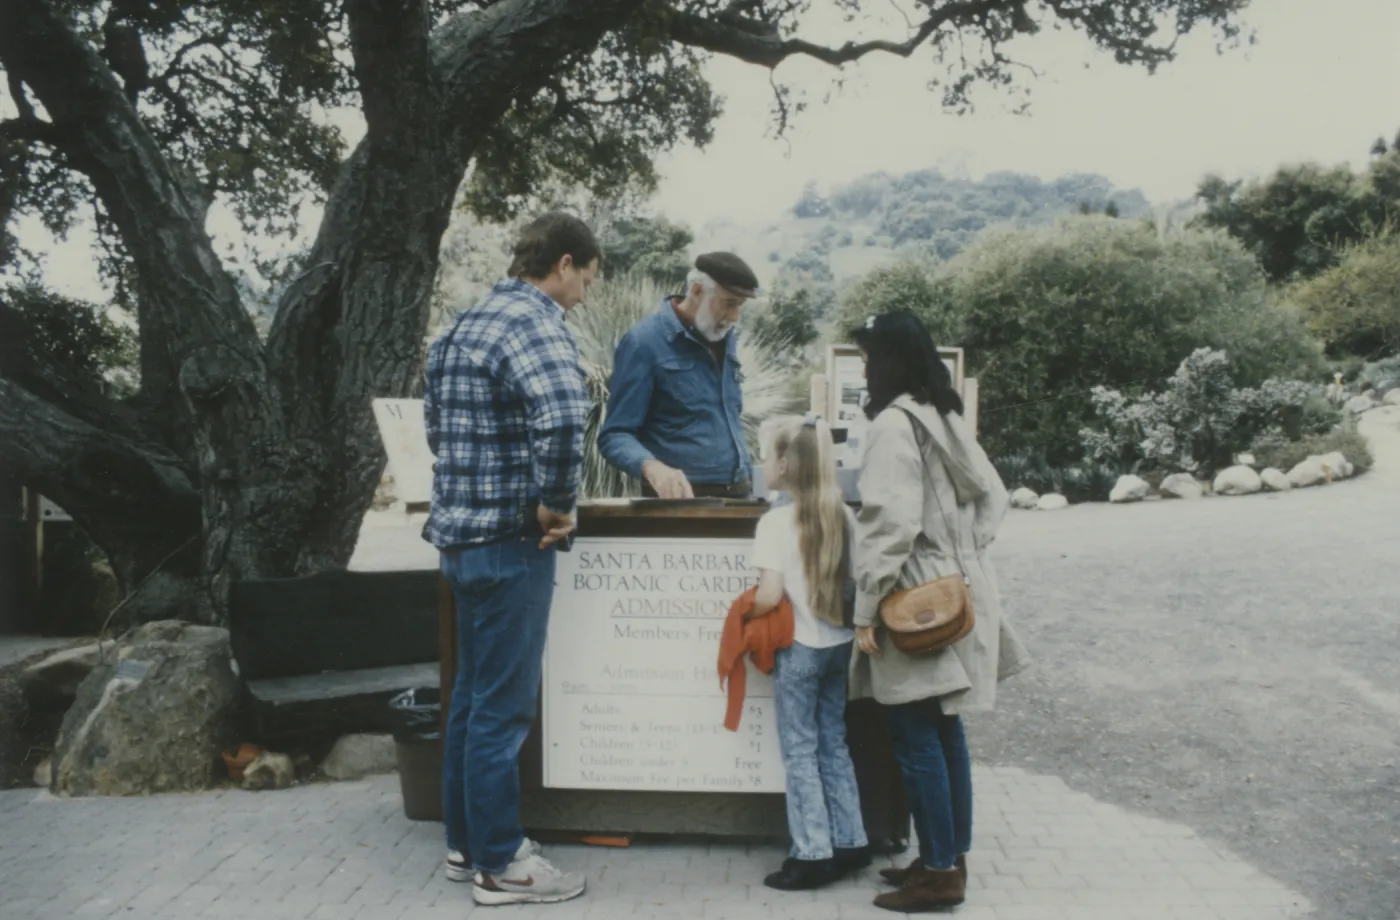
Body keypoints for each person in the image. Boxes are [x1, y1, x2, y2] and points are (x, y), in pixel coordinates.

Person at [422, 212, 598, 907]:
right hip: (511, 544)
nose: (584, 292)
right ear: (562, 264)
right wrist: (557, 502)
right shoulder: (536, 324)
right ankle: (502, 866)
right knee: (501, 710)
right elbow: (561, 412)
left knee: (470, 700)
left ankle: (467, 845)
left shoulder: (462, 326)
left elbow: (438, 428)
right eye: (585, 277)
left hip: (461, 543)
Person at [846, 310, 1032, 913]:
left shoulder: (893, 425)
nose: (866, 367)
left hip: (913, 598)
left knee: (915, 732)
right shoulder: (941, 414)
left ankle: (941, 875)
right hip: (959, 589)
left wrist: (867, 607)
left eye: (870, 356)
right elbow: (994, 494)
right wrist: (962, 553)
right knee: (946, 728)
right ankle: (946, 856)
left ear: (889, 359)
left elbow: (888, 524)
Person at [749, 413, 871, 891]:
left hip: (798, 648)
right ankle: (851, 840)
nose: (763, 464)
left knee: (799, 751)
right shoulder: (843, 514)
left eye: (767, 455)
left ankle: (813, 854)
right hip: (838, 645)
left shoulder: (775, 522)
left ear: (785, 463)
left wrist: (744, 616)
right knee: (832, 744)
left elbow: (768, 595)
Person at [598, 252, 759, 498]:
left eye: (740, 306)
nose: (735, 317)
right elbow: (615, 435)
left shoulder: (725, 336)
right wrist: (651, 468)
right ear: (696, 291)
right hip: (679, 504)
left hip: (739, 496)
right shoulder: (643, 343)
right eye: (729, 303)